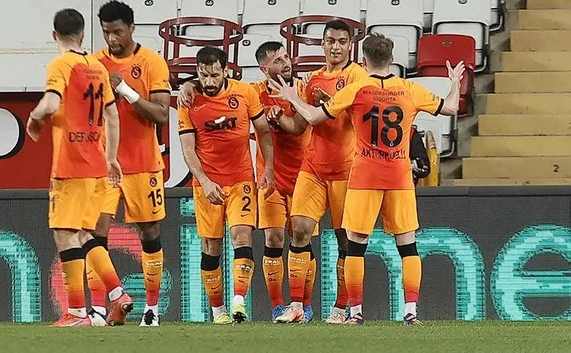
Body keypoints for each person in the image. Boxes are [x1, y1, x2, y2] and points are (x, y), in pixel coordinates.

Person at [267, 32, 464, 325]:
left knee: (356, 245)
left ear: (363, 59)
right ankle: (411, 312)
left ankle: (356, 313)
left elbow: (313, 117)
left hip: (364, 175)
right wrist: (455, 83)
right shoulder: (409, 89)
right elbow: (450, 107)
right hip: (398, 177)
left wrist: (293, 98)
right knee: (407, 245)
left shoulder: (357, 89)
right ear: (392, 59)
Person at [177, 41, 316, 323]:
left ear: (226, 71)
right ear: (263, 69)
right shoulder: (253, 92)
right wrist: (188, 84)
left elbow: (297, 126)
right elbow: (188, 146)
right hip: (258, 179)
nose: (286, 63)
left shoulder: (304, 88)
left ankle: (303, 305)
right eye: (278, 61)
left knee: (301, 236)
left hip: (303, 174)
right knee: (269, 239)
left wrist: (286, 110)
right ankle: (269, 308)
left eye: (286, 58)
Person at [26, 8, 133, 327]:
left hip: (70, 165)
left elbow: (50, 103)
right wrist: (111, 158)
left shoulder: (61, 65)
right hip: (97, 164)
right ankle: (118, 294)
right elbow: (112, 116)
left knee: (64, 233)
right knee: (85, 234)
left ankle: (75, 312)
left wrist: (34, 117)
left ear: (54, 35)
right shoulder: (98, 67)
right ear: (83, 35)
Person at [273, 20, 369, 324]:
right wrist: (280, 118)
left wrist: (324, 104)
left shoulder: (357, 75)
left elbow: (354, 114)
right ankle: (297, 306)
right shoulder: (312, 80)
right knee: (299, 229)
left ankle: (341, 308)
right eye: (330, 41)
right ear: (323, 44)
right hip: (313, 168)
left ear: (350, 45)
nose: (336, 47)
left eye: (342, 41)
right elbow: (299, 125)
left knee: (345, 240)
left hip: (346, 170)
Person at [88, 0, 171, 327]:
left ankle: (151, 308)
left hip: (143, 163)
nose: (112, 39)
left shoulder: (152, 63)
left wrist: (124, 89)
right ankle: (101, 307)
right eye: (106, 32)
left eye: (118, 32)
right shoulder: (94, 63)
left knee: (149, 231)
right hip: (104, 165)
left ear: (132, 28)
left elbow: (161, 114)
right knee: (95, 231)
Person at [178, 46, 275, 324]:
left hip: (240, 177)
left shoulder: (244, 93)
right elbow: (187, 149)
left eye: (214, 75)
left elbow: (263, 131)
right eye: (203, 75)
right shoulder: (188, 100)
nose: (209, 81)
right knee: (211, 245)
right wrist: (205, 181)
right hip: (207, 183)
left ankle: (238, 302)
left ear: (225, 71)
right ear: (197, 73)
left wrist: (268, 168)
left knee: (242, 236)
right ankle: (218, 311)